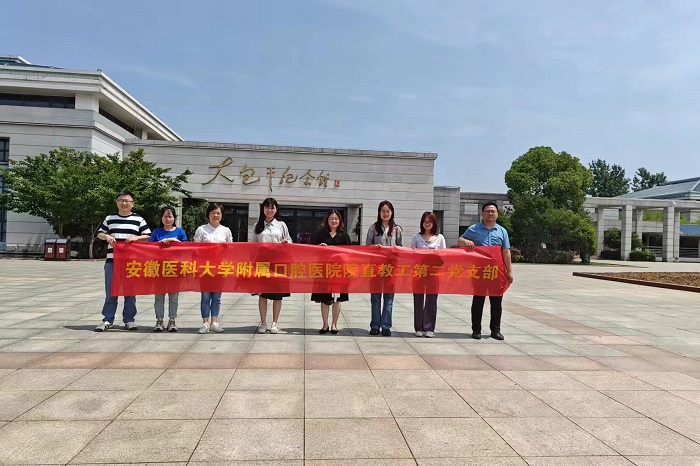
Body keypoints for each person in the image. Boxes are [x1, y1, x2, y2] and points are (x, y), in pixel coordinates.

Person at [95, 190, 151, 332]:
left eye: (127, 201)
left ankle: (129, 320)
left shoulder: (138, 219)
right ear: (117, 203)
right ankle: (108, 320)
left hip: (131, 263)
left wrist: (136, 238)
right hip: (112, 261)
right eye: (121, 200)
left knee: (130, 292)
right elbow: (100, 233)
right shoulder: (110, 218)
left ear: (132, 204)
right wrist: (107, 237)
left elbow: (148, 236)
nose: (124, 203)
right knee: (111, 291)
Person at [458, 201, 514, 341]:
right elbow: (460, 240)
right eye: (487, 211)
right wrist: (465, 242)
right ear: (482, 214)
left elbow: (506, 251)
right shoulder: (473, 229)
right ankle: (476, 330)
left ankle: (495, 330)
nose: (490, 213)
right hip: (479, 271)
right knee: (478, 300)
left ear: (497, 214)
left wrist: (509, 271)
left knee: (496, 301)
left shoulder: (502, 231)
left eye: (493, 211)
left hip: (496, 272)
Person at [252, 197, 292, 334]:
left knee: (277, 295)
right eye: (267, 207)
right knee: (262, 294)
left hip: (279, 263)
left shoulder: (281, 225)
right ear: (263, 209)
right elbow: (253, 246)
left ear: (276, 209)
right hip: (262, 263)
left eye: (272, 207)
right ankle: (263, 322)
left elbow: (289, 240)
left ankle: (275, 323)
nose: (269, 210)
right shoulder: (257, 225)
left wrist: (286, 242)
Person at [311, 209, 352, 334]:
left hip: (339, 271)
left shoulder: (344, 235)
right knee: (324, 298)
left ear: (340, 220)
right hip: (324, 271)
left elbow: (350, 253)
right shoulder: (321, 233)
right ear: (327, 220)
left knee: (337, 299)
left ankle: (334, 324)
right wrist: (320, 248)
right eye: (331, 218)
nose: (334, 221)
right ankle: (325, 324)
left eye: (336, 218)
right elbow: (312, 249)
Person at [194, 203, 232, 334]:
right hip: (205, 268)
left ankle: (214, 322)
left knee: (217, 296)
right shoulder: (201, 229)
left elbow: (230, 249)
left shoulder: (226, 230)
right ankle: (205, 322)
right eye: (213, 213)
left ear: (222, 215)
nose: (215, 215)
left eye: (218, 213)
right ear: (208, 214)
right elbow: (196, 249)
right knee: (205, 296)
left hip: (220, 268)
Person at [366, 200, 403, 336]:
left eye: (388, 211)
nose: (385, 214)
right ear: (379, 213)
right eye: (383, 211)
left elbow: (400, 248)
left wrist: (395, 251)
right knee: (375, 298)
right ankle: (375, 325)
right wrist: (375, 248)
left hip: (391, 268)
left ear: (392, 213)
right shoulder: (373, 228)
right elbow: (367, 246)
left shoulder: (397, 229)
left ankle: (386, 326)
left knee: (389, 298)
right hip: (376, 268)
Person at [149, 206, 188, 332]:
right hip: (159, 268)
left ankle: (172, 320)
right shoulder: (157, 232)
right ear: (161, 218)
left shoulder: (180, 232)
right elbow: (149, 248)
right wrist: (160, 243)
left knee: (173, 297)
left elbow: (187, 248)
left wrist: (176, 241)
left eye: (170, 216)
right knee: (159, 297)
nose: (168, 219)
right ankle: (159, 320)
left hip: (174, 269)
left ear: (174, 218)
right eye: (165, 216)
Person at [411, 211, 447, 338]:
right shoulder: (416, 237)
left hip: (433, 273)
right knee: (418, 299)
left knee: (431, 300)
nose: (427, 224)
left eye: (430, 221)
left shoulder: (440, 238)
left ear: (434, 223)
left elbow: (444, 256)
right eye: (425, 221)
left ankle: (429, 327)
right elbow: (412, 255)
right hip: (419, 273)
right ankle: (418, 327)